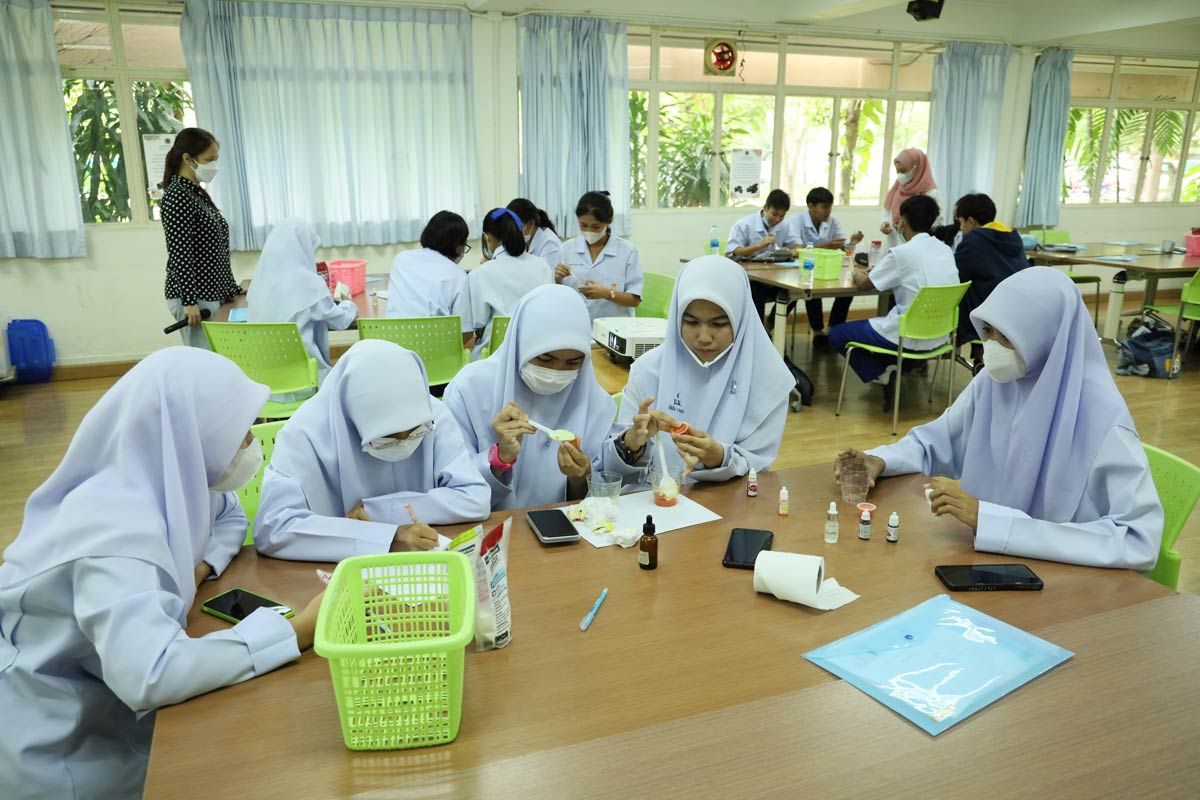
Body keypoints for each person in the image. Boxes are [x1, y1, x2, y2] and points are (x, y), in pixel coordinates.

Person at [0, 348, 322, 800]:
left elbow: (229, 515)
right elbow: (151, 674)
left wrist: (198, 570)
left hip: (109, 707)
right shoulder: (112, 531)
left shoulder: (165, 475)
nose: (251, 443)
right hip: (66, 750)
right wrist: (297, 630)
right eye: (241, 431)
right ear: (195, 429)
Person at [835, 267, 1163, 572]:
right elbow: (936, 440)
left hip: (1066, 579)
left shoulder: (1103, 418)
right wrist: (881, 460)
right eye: (988, 331)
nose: (992, 348)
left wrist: (992, 521)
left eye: (1007, 336)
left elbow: (1139, 540)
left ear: (1048, 338)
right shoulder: (996, 382)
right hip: (992, 560)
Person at [253, 340, 490, 561]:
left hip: (425, 560)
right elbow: (273, 526)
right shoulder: (305, 432)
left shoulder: (431, 415)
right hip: (336, 572)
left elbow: (475, 497)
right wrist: (385, 538)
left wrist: (378, 511)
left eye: (414, 433)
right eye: (385, 439)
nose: (404, 443)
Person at [604, 255, 794, 484]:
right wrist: (632, 443)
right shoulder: (647, 370)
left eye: (719, 323)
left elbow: (757, 467)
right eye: (691, 322)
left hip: (728, 501)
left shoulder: (769, 381)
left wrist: (719, 458)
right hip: (654, 499)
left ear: (741, 319)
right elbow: (612, 471)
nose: (704, 337)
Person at [444, 285, 617, 509]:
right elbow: (452, 489)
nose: (555, 372)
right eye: (544, 359)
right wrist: (499, 458)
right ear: (520, 344)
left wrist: (580, 477)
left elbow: (601, 501)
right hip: (489, 523)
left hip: (562, 525)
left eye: (573, 362)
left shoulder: (595, 404)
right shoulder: (469, 391)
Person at [828, 195, 958, 411]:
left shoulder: (902, 253)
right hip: (939, 336)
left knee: (837, 334)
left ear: (903, 221)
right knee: (886, 327)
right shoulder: (945, 250)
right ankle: (896, 369)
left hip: (907, 335)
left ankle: (885, 374)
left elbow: (865, 284)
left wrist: (855, 272)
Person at [247, 217, 357, 393]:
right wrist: (349, 304)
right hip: (304, 382)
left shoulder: (257, 284)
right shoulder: (308, 283)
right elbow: (340, 321)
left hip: (263, 383)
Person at [160, 128, 240, 349]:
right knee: (204, 361)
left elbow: (216, 250)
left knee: (220, 357)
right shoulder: (178, 195)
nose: (214, 165)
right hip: (195, 297)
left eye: (215, 159)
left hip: (211, 292)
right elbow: (181, 253)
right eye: (209, 159)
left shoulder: (195, 193)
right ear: (187, 159)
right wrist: (189, 301)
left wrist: (231, 288)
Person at [951, 193, 1030, 370]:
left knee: (962, 290)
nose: (960, 228)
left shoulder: (974, 240)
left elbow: (955, 273)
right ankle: (979, 354)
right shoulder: (1012, 236)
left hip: (990, 310)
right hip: (1017, 306)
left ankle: (975, 352)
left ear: (970, 221)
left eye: (960, 222)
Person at [468, 207, 553, 356]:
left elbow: (478, 323)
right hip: (536, 351)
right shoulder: (542, 266)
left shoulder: (480, 274)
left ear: (487, 237)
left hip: (495, 355)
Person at [387, 210, 475, 349]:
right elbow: (465, 331)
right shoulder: (458, 275)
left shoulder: (400, 259)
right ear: (458, 245)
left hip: (396, 351)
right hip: (437, 355)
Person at [789, 186, 864, 343]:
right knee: (811, 289)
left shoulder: (832, 221)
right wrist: (826, 246)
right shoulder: (797, 220)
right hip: (802, 268)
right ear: (811, 206)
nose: (828, 211)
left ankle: (833, 329)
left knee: (847, 290)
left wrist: (852, 242)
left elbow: (842, 247)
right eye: (824, 207)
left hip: (828, 267)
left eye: (829, 207)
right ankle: (818, 331)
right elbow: (796, 250)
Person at [556, 191, 643, 322]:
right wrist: (557, 278)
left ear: (609, 221)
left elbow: (634, 300)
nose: (589, 231)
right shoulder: (567, 249)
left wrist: (607, 294)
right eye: (583, 225)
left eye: (596, 227)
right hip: (576, 323)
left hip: (614, 326)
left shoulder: (627, 251)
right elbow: (557, 293)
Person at [725, 189, 800, 329]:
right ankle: (757, 331)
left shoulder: (785, 225)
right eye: (774, 214)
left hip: (774, 277)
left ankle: (769, 325)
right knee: (756, 291)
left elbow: (798, 246)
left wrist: (790, 251)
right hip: (751, 280)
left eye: (782, 216)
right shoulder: (745, 224)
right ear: (765, 208)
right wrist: (759, 245)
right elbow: (733, 251)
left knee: (795, 291)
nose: (777, 219)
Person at [880, 148, 941, 250]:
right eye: (897, 171)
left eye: (903, 171)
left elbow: (936, 223)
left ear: (916, 168)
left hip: (917, 247)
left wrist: (908, 227)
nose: (900, 175)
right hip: (893, 244)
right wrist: (885, 224)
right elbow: (887, 213)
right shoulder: (897, 188)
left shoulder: (931, 193)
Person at [507, 198, 562, 271]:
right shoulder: (527, 241)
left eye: (517, 227)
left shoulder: (549, 243)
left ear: (531, 224)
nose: (514, 232)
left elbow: (546, 274)